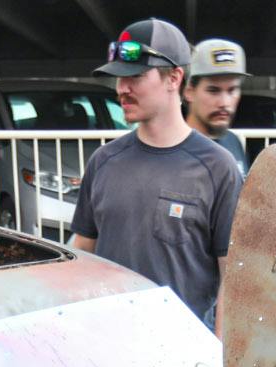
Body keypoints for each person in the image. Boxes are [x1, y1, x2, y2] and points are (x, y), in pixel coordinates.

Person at [69, 18, 242, 321]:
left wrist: (221, 355)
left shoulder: (218, 167)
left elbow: (233, 275)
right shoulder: (103, 161)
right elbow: (81, 251)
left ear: (174, 78)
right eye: (119, 78)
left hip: (186, 356)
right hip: (109, 345)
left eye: (134, 76)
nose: (122, 88)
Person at [185, 38, 249, 174]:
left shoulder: (233, 141)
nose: (224, 103)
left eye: (232, 90)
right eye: (213, 90)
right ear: (189, 91)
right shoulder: (171, 150)